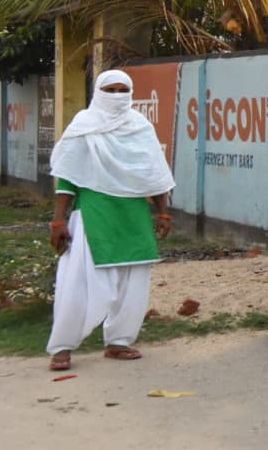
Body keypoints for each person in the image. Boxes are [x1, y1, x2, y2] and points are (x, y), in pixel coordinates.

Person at [46, 70, 176, 371]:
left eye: (122, 90)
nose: (117, 96)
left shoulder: (140, 126)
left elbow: (155, 173)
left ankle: (119, 341)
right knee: (79, 282)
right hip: (95, 212)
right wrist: (58, 220)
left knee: (134, 282)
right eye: (110, 90)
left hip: (134, 215)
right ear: (98, 92)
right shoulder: (84, 125)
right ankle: (62, 347)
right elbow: (67, 177)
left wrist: (163, 212)